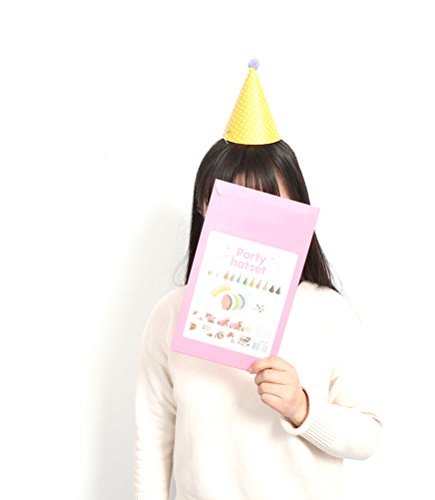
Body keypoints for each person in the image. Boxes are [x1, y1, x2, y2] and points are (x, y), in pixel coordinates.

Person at [134, 60, 382, 500]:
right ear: (204, 208)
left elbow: (368, 436)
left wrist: (302, 407)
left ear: (297, 206)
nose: (250, 217)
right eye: (231, 200)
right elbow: (153, 441)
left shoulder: (328, 311)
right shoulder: (170, 314)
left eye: (268, 201)